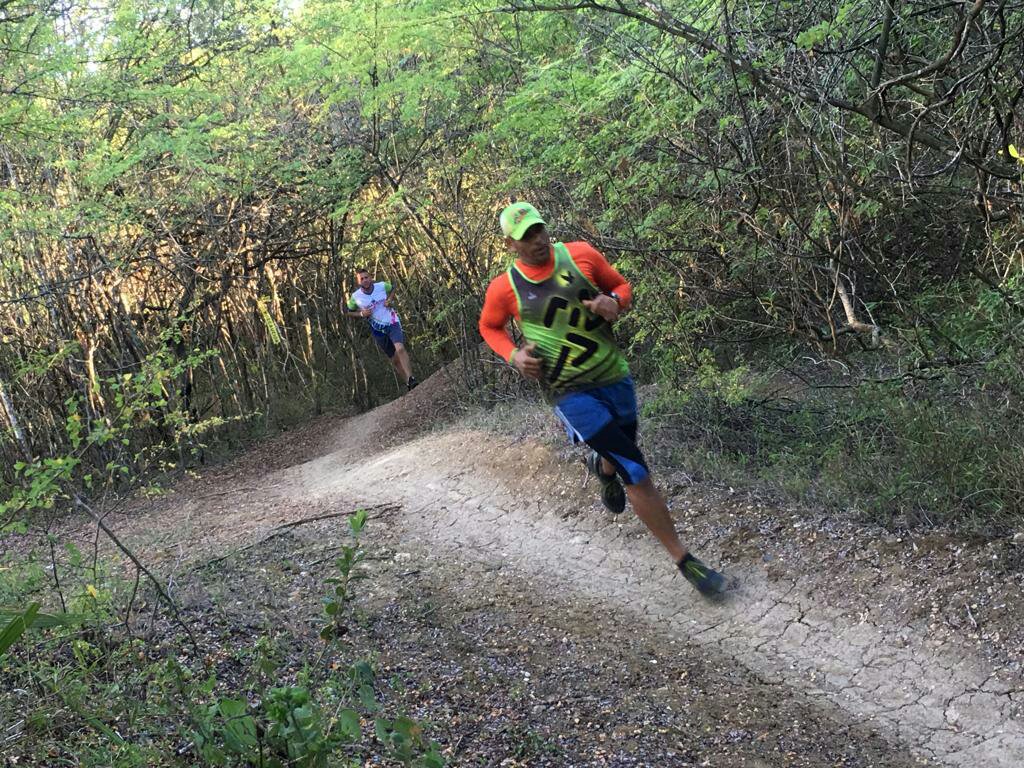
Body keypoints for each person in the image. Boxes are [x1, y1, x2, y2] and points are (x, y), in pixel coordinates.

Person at [478, 202, 726, 596]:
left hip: (614, 375)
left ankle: (602, 467)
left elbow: (622, 287)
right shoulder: (504, 288)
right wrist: (514, 355)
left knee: (622, 447)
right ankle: (686, 562)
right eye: (526, 236)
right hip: (567, 391)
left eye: (539, 229)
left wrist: (616, 302)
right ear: (511, 244)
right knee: (635, 468)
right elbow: (489, 326)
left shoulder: (581, 255)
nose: (538, 240)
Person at [345, 268, 418, 391]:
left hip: (392, 321)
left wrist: (389, 299)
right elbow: (348, 311)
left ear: (370, 278)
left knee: (400, 348)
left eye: (366, 277)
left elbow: (393, 288)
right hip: (377, 329)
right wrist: (361, 314)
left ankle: (412, 378)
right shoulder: (355, 297)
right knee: (395, 360)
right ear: (358, 282)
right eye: (361, 279)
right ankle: (408, 383)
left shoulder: (382, 286)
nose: (365, 280)